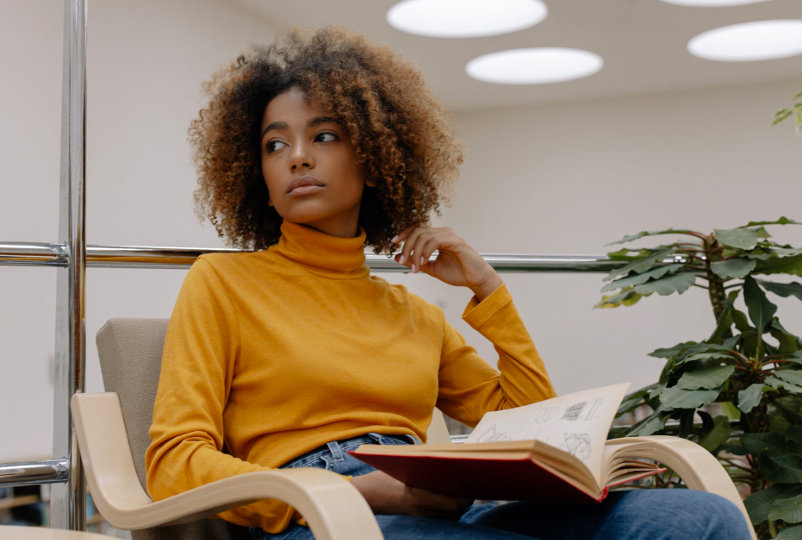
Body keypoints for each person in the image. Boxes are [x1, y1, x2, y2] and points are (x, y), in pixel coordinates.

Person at [145, 27, 749, 540]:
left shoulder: (412, 313)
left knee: (700, 519)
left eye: (324, 136)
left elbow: (529, 432)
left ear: (377, 155)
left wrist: (488, 292)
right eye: (275, 144)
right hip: (323, 513)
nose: (297, 156)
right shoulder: (223, 282)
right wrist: (361, 490)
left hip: (439, 497)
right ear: (259, 171)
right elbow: (174, 463)